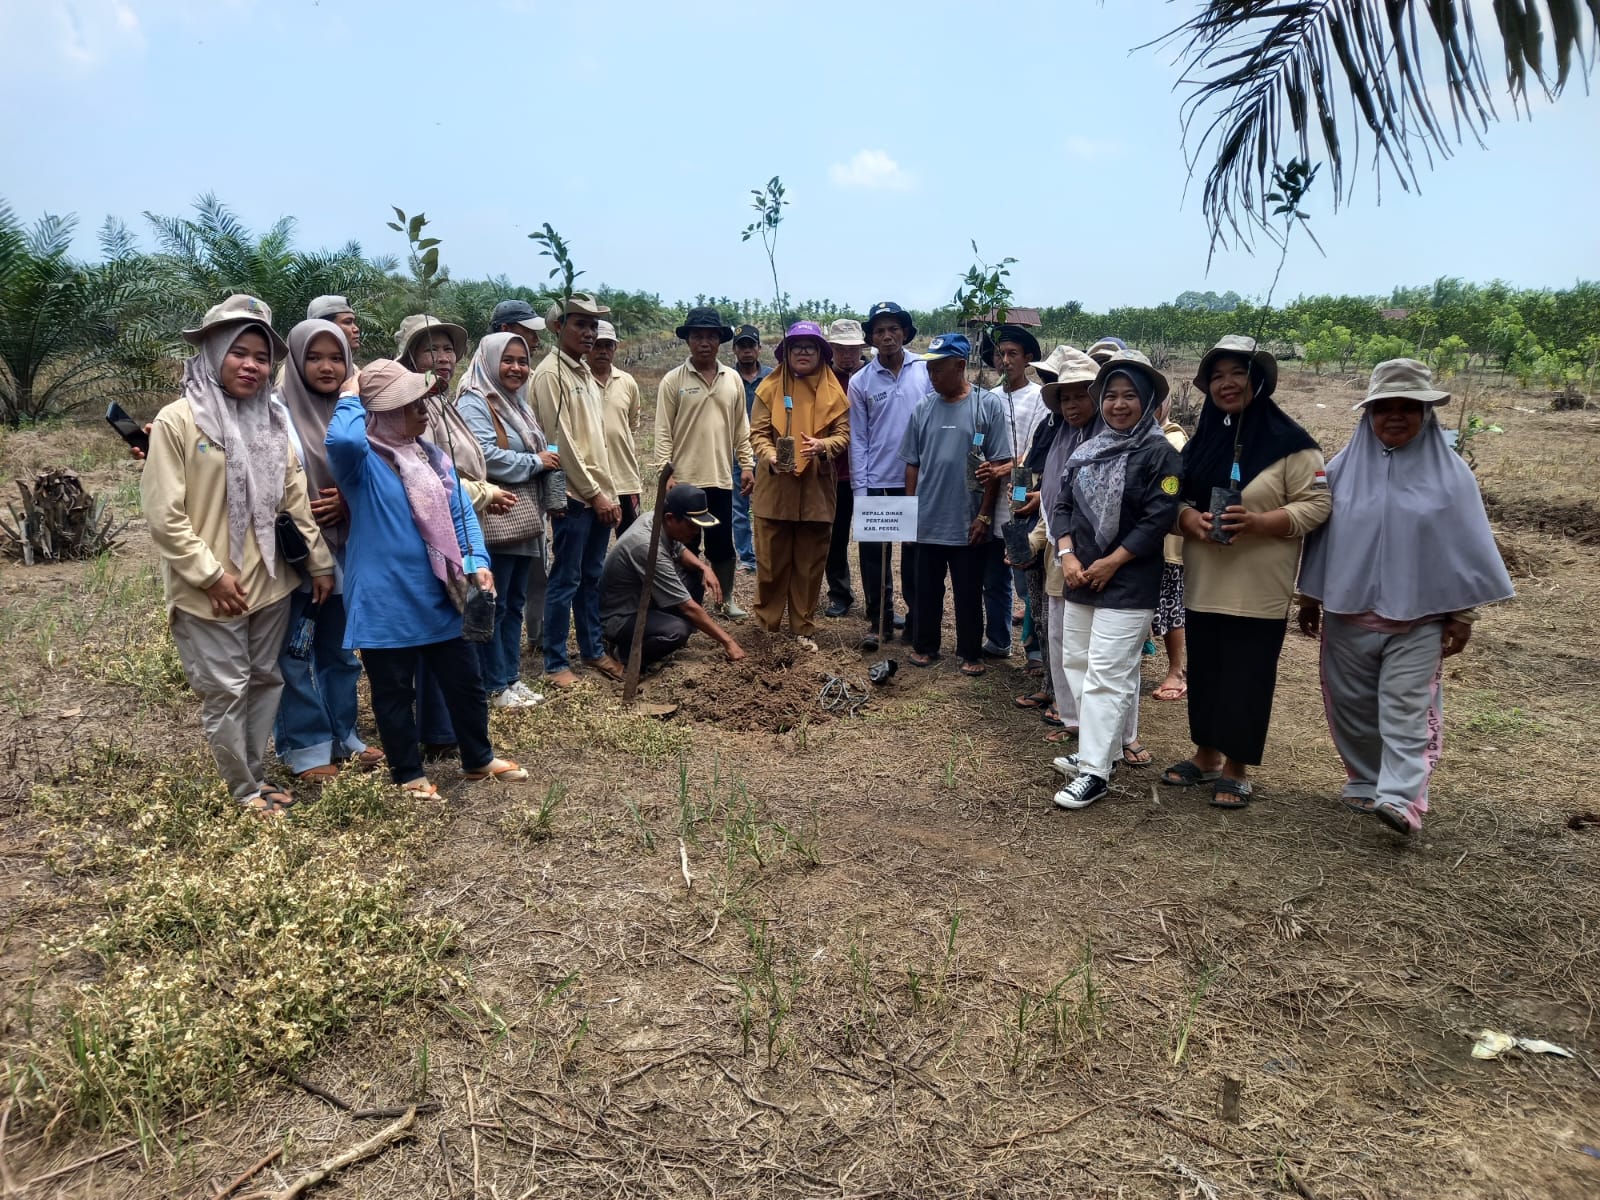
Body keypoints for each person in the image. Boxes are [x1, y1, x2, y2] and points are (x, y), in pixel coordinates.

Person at [1296, 359, 1513, 836]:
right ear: (1367, 415)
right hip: (1349, 614)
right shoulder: (1340, 470)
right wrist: (1309, 599)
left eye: (1408, 408)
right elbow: (1322, 537)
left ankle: (1402, 798)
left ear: (1425, 414)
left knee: (1406, 707)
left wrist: (1463, 613)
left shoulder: (1452, 477)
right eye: (1383, 409)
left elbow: (1464, 544)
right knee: (1351, 705)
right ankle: (1367, 779)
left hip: (1420, 620)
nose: (1395, 417)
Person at [142, 295, 335, 816]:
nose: (251, 365)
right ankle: (243, 789)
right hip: (213, 590)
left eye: (261, 356)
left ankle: (256, 773)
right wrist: (209, 576)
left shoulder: (271, 419)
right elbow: (165, 514)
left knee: (265, 678)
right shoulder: (180, 421)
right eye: (239, 352)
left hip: (269, 581)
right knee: (226, 690)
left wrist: (317, 562)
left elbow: (294, 496)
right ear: (212, 353)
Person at [326, 359, 528, 795]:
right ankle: (409, 775)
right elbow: (341, 437)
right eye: (411, 404)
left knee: (465, 681)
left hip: (440, 592)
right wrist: (351, 392)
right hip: (385, 597)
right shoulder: (362, 463)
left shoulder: (430, 457)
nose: (424, 411)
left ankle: (478, 759)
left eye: (422, 401)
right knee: (395, 691)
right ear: (383, 412)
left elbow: (460, 514)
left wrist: (476, 560)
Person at [1162, 335, 1331, 808]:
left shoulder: (1292, 445)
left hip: (1259, 588)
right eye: (1216, 375)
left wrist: (1260, 522)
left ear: (1258, 380)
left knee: (1247, 675)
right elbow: (1171, 491)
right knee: (1210, 669)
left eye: (1237, 372)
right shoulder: (1201, 443)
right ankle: (1206, 755)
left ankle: (1237, 767)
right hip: (1204, 582)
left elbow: (1317, 505)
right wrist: (1184, 518)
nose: (1226, 383)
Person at [1047, 351, 1183, 809]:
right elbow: (1061, 504)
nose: (1118, 405)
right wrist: (1067, 555)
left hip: (1128, 582)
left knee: (1107, 672)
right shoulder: (1087, 449)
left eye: (1129, 396)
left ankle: (1094, 773)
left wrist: (1113, 562)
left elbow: (1157, 518)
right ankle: (1096, 750)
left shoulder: (1159, 453)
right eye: (1111, 396)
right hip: (1080, 574)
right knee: (1079, 665)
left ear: (1146, 403)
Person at [273, 317, 385, 782]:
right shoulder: (275, 412)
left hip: (346, 550)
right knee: (295, 654)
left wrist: (349, 498)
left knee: (340, 651)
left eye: (336, 357)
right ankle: (305, 748)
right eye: (314, 357)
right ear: (296, 360)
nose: (326, 366)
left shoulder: (359, 410)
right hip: (297, 555)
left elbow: (380, 468)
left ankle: (345, 734)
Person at [899, 333, 1012, 675]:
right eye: (929, 369)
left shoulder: (987, 406)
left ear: (961, 366)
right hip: (929, 517)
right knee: (927, 588)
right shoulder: (924, 407)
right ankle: (925, 645)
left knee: (968, 589)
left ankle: (970, 652)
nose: (932, 376)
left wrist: (984, 515)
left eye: (939, 369)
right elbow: (912, 463)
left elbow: (996, 466)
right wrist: (909, 512)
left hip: (968, 519)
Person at [530, 292, 625, 688]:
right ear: (557, 327)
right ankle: (555, 661)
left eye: (593, 324)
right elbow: (560, 445)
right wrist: (594, 493)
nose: (589, 332)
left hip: (598, 492)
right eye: (579, 324)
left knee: (591, 574)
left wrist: (610, 491)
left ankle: (592, 649)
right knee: (566, 578)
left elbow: (596, 441)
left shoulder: (582, 371)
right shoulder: (551, 374)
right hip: (574, 496)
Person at [456, 331, 551, 710]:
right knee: (493, 603)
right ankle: (494, 684)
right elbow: (485, 456)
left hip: (522, 514)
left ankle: (510, 676)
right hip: (497, 515)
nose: (516, 368)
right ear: (489, 360)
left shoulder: (515, 402)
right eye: (507, 360)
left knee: (514, 601)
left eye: (522, 361)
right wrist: (535, 463)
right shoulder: (475, 401)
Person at [748, 321, 851, 648]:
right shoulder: (768, 388)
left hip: (816, 489)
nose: (803, 352)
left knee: (809, 563)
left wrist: (824, 446)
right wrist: (770, 455)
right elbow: (758, 435)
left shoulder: (835, 392)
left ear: (822, 353)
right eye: (797, 347)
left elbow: (843, 435)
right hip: (776, 487)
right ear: (787, 353)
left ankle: (803, 627)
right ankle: (767, 626)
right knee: (771, 561)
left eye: (810, 347)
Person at [655, 307, 756, 619]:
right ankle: (684, 602)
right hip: (684, 480)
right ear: (688, 340)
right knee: (684, 544)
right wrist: (664, 471)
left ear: (719, 341)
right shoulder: (673, 381)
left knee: (722, 545)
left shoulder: (732, 379)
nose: (703, 342)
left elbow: (742, 427)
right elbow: (662, 429)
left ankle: (725, 600)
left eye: (710, 336)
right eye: (697, 336)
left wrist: (748, 464)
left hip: (721, 477)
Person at [850, 301, 928, 651]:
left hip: (917, 481)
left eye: (893, 329)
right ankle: (878, 622)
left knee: (914, 556)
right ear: (870, 338)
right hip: (878, 482)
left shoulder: (925, 371)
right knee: (874, 558)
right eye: (879, 331)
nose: (886, 336)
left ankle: (915, 622)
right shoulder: (860, 381)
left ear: (905, 333)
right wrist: (861, 489)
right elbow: (859, 439)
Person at [601, 485, 747, 668]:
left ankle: (662, 632)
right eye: (692, 526)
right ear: (670, 518)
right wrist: (728, 642)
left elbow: (679, 549)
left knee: (696, 573)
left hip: (643, 601)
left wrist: (704, 568)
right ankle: (624, 654)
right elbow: (688, 607)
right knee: (677, 631)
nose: (696, 532)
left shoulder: (657, 520)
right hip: (620, 616)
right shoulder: (647, 546)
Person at [981, 324, 1046, 661]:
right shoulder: (989, 399)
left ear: (1028, 359)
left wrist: (1007, 468)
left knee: (1027, 578)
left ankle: (1035, 648)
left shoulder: (1039, 399)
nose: (1005, 361)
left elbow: (1036, 448)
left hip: (1025, 496)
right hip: (992, 498)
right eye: (999, 354)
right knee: (994, 577)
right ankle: (998, 638)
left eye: (1012, 354)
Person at [822, 318, 868, 618]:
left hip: (869, 471)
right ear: (831, 349)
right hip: (834, 471)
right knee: (835, 536)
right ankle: (839, 593)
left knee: (873, 538)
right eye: (840, 348)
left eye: (853, 349)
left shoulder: (871, 376)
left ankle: (878, 600)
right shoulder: (821, 380)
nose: (847, 355)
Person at [1151, 395, 1190, 702]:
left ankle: (1177, 670)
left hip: (1167, 544)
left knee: (1169, 606)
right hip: (1150, 540)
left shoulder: (1172, 440)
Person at [590, 320, 643, 532]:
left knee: (632, 538)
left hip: (625, 477)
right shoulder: (577, 380)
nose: (603, 351)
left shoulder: (627, 382)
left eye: (608, 346)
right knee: (592, 542)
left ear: (615, 347)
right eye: (597, 345)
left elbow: (631, 425)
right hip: (592, 479)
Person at [730, 323, 769, 573]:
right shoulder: (728, 378)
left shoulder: (772, 377)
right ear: (734, 349)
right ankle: (747, 558)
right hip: (736, 451)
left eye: (751, 345)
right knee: (739, 508)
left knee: (767, 507)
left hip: (766, 451)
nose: (747, 350)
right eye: (741, 346)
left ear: (758, 348)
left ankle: (766, 555)